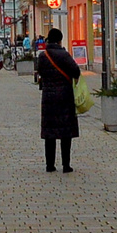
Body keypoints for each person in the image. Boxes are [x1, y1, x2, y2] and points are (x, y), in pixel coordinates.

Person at [36, 28, 81, 173]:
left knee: (50, 132)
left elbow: (40, 73)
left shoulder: (43, 55)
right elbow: (76, 71)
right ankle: (66, 165)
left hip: (48, 97)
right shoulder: (64, 54)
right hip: (65, 96)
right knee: (65, 131)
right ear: (60, 39)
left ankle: (50, 165)